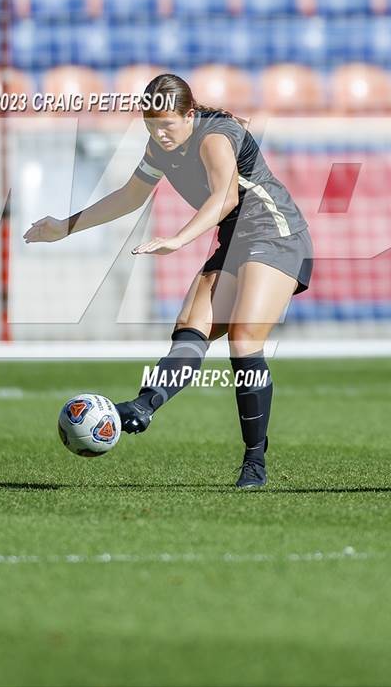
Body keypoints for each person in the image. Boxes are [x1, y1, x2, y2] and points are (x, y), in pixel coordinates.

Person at [24, 73, 313, 489]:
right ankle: (143, 407)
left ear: (190, 114)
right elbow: (130, 196)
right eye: (150, 125)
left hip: (276, 233)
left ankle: (254, 462)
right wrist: (65, 227)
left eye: (167, 124)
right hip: (236, 240)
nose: (159, 133)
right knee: (189, 334)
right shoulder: (161, 147)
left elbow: (226, 197)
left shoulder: (216, 137)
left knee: (244, 337)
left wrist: (178, 239)